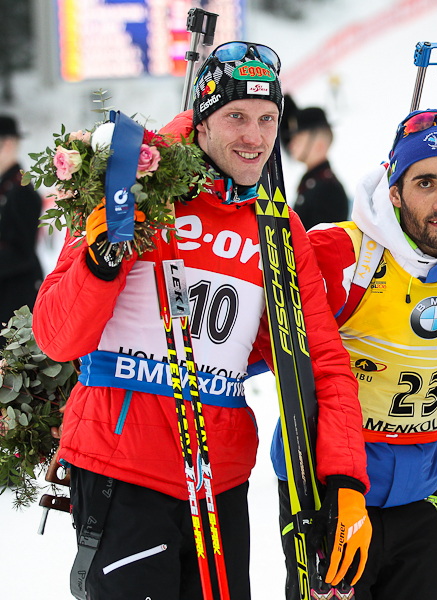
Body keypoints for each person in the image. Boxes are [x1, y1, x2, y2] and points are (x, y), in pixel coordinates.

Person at [33, 42, 370, 600]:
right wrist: (100, 257)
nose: (254, 136)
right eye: (236, 116)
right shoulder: (132, 191)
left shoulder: (278, 229)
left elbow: (324, 364)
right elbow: (57, 335)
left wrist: (344, 479)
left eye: (267, 119)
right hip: (123, 470)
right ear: (203, 120)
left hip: (220, 483)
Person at [270, 110, 437, 600]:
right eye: (425, 182)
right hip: (327, 491)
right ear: (394, 192)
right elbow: (256, 342)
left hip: (420, 492)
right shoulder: (341, 253)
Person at [280, 95, 349, 229]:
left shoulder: (328, 191)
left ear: (319, 145)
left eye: (297, 138)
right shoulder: (313, 184)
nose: (291, 144)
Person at [0, 114, 43, 326]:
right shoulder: (6, 185)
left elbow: (22, 251)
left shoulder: (20, 190)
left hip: (16, 303)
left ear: (7, 144)